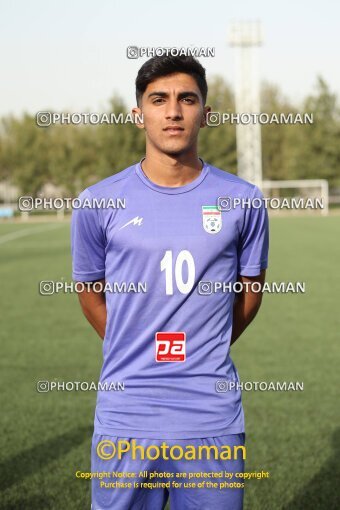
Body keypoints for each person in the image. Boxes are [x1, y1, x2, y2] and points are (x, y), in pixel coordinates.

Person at [71, 54, 269, 510]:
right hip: (126, 415)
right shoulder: (98, 202)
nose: (174, 111)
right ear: (138, 113)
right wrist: (132, 344)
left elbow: (251, 292)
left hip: (210, 413)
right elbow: (89, 293)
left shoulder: (243, 201)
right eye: (158, 100)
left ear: (207, 113)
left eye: (187, 99)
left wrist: (206, 346)